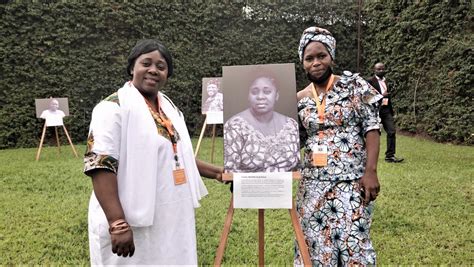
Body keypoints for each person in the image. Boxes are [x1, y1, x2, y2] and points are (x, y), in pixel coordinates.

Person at [83, 39, 223, 265]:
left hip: (172, 216)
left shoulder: (170, 109)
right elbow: (100, 165)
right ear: (132, 68)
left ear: (167, 74)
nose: (153, 70)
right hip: (130, 219)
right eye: (146, 63)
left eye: (161, 66)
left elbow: (179, 157)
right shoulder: (112, 108)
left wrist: (218, 173)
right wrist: (117, 222)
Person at [295, 26, 382, 266]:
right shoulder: (299, 99)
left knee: (355, 247)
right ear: (302, 62)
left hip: (352, 183)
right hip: (312, 187)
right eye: (309, 58)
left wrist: (371, 172)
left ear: (331, 56)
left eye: (321, 56)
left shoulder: (353, 86)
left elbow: (372, 127)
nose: (316, 63)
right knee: (315, 249)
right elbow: (295, 140)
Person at [224, 72, 300, 173]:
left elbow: (297, 167)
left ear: (276, 95)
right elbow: (230, 172)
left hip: (282, 188)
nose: (260, 97)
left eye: (267, 91)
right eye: (254, 92)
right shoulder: (235, 126)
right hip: (248, 188)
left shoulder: (291, 125)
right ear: (248, 96)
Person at [368, 62, 404, 163]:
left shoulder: (386, 81)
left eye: (383, 69)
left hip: (386, 110)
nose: (381, 71)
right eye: (379, 69)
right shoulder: (370, 81)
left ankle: (390, 156)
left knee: (392, 131)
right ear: (374, 70)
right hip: (374, 111)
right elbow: (366, 97)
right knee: (372, 135)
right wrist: (381, 96)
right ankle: (369, 157)